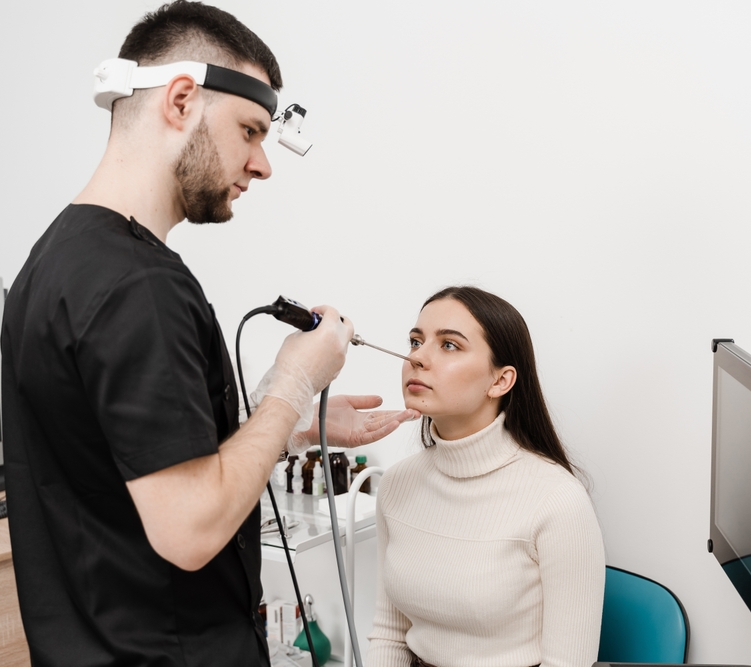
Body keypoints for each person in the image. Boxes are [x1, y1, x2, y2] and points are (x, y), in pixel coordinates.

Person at [0, 3, 417, 666]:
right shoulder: (139, 286)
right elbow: (190, 528)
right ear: (182, 100)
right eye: (251, 130)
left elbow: (126, 460)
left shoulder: (53, 261)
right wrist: (292, 382)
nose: (263, 164)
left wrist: (294, 426)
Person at [367, 286, 606, 667]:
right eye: (416, 340)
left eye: (449, 345)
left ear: (501, 381)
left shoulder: (558, 501)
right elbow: (390, 635)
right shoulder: (397, 484)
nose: (416, 357)